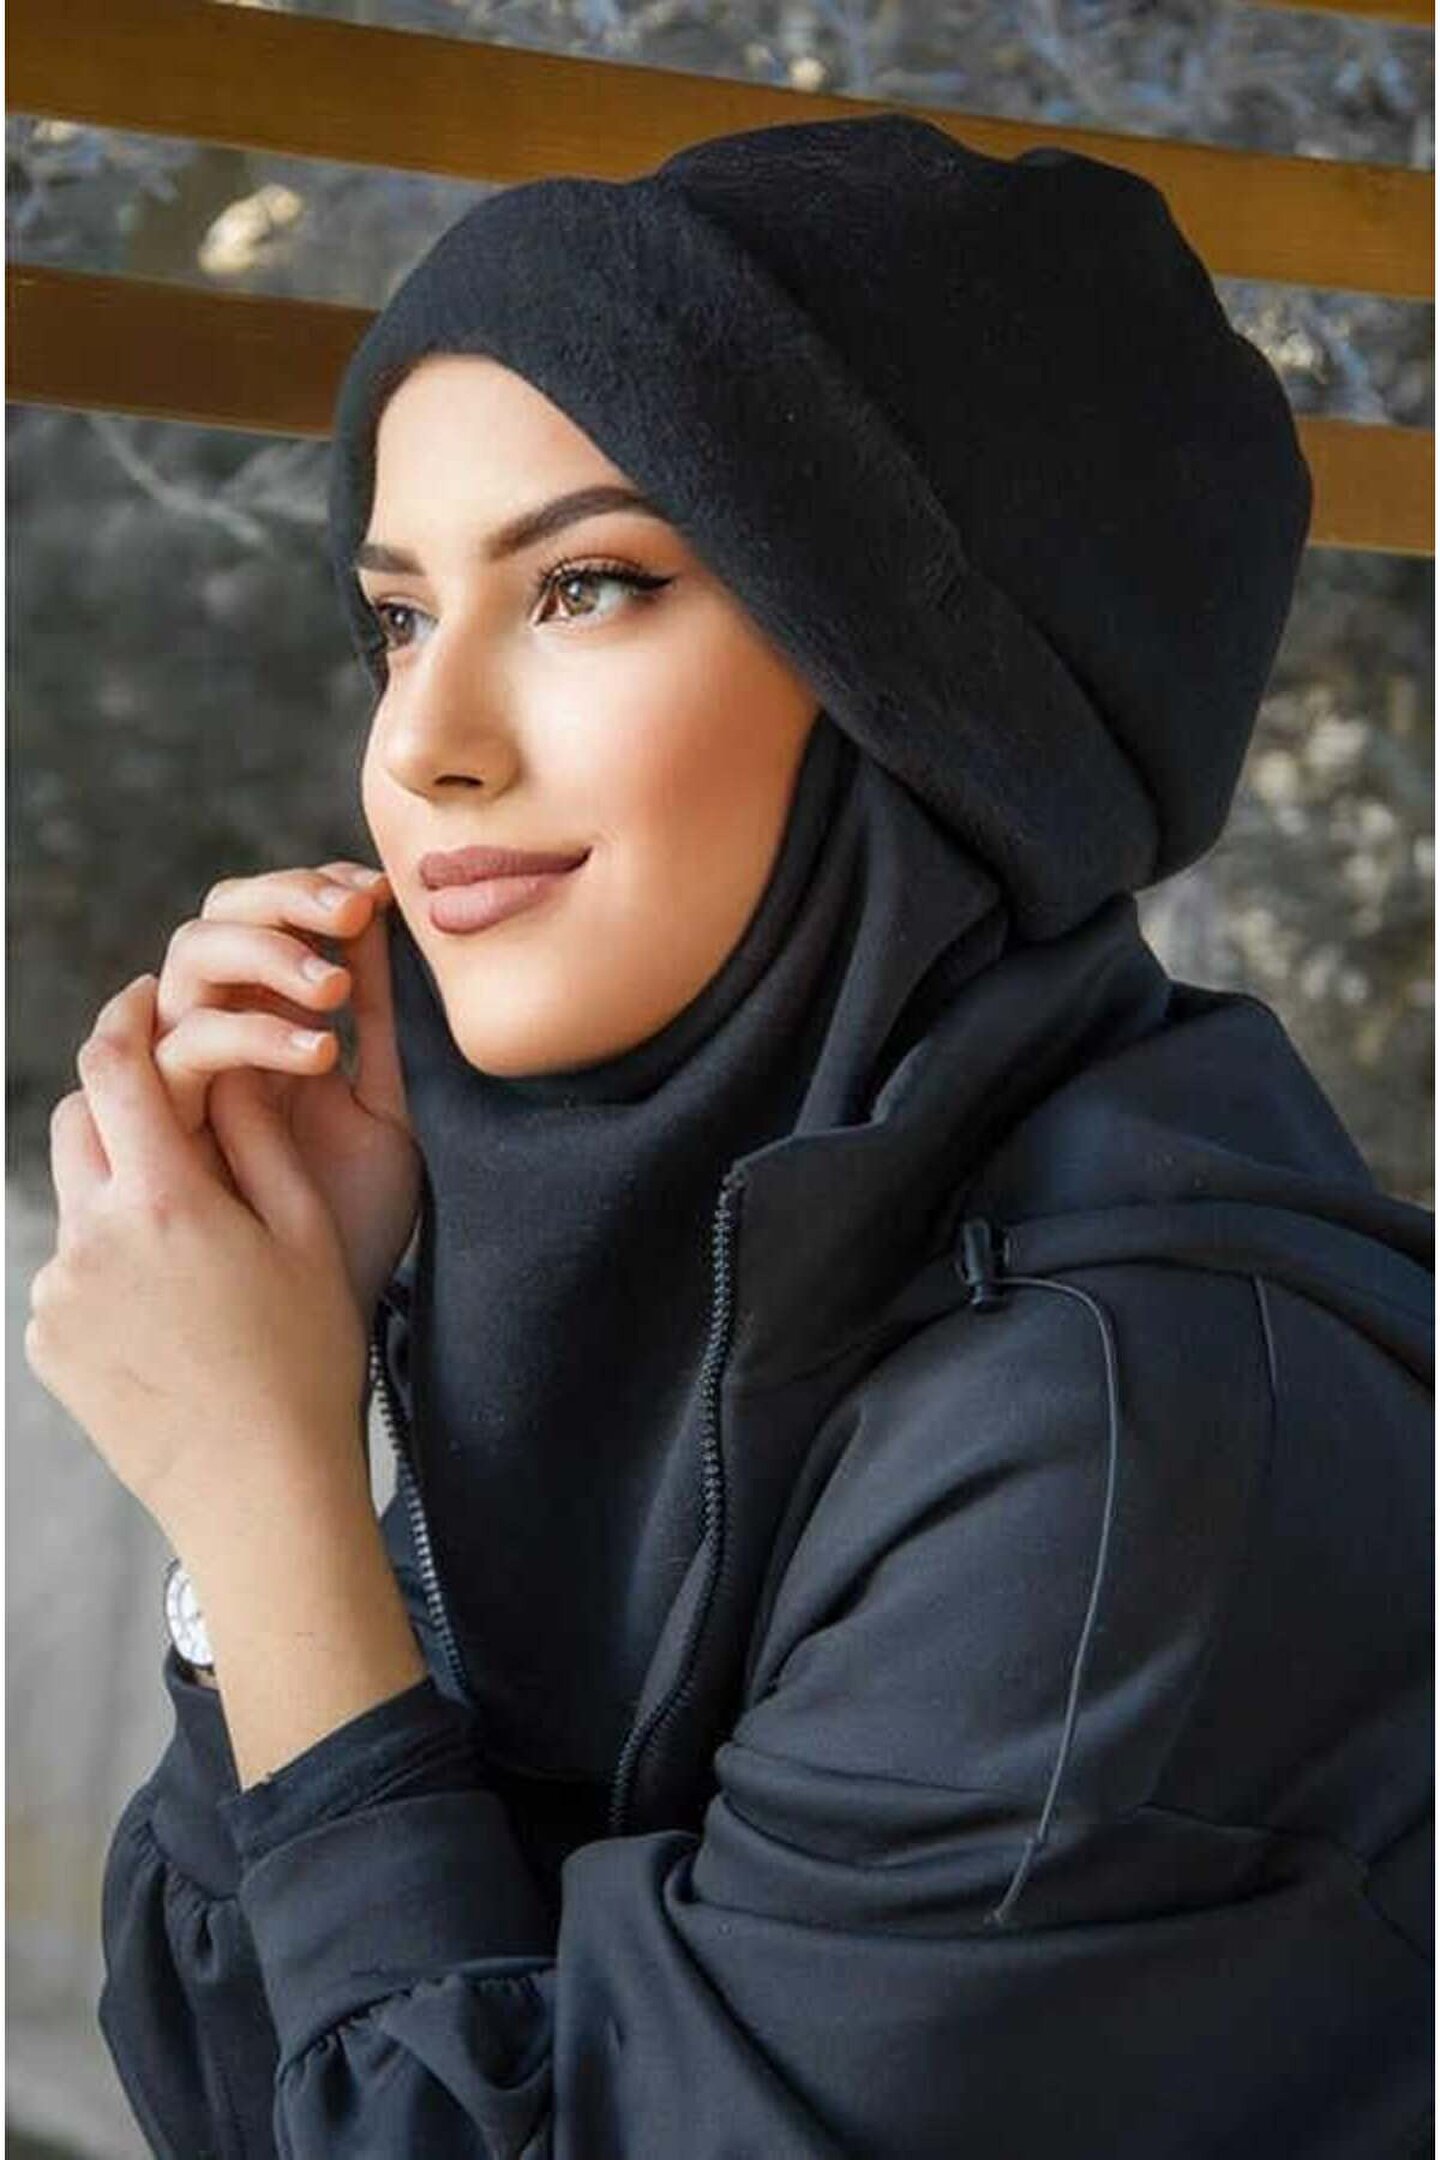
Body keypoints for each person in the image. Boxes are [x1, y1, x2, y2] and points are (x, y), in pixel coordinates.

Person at [25, 111, 1432, 2158]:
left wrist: (267, 1499)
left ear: (919, 687)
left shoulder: (1117, 1429)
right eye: (399, 616)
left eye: (585, 585)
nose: (421, 744)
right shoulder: (635, 1290)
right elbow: (233, 2068)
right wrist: (298, 1432)